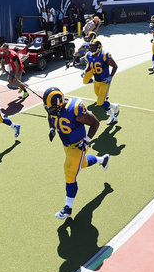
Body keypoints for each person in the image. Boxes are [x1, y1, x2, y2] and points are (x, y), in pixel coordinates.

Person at [43, 87, 110, 220]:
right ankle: (103, 159)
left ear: (59, 103)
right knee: (82, 164)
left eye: (52, 107)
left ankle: (68, 207)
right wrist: (52, 128)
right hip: (66, 145)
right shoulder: (56, 108)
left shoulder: (74, 108)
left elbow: (95, 123)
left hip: (79, 144)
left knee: (69, 171)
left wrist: (87, 140)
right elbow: (50, 117)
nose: (50, 110)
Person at [83, 39, 121, 124]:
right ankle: (115, 107)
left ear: (99, 47)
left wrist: (111, 76)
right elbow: (89, 65)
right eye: (91, 47)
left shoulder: (105, 55)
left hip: (105, 82)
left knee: (100, 102)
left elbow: (115, 66)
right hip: (96, 81)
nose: (91, 49)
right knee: (102, 101)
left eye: (93, 47)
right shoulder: (89, 55)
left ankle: (112, 115)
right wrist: (85, 71)